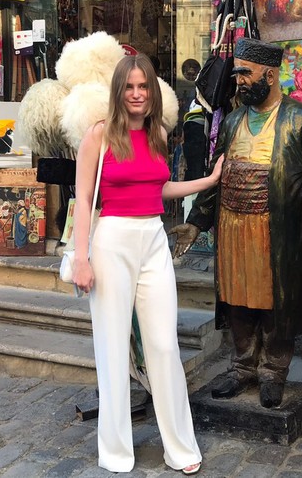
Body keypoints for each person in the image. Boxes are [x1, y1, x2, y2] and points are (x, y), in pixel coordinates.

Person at [72, 54, 222, 475]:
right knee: (113, 345)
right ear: (118, 91)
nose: (137, 94)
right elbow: (84, 199)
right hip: (112, 239)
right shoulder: (98, 136)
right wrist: (81, 257)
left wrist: (208, 182)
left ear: (152, 91)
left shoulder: (158, 133)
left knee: (162, 344)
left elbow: (161, 186)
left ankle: (180, 445)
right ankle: (116, 450)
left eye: (144, 86)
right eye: (129, 86)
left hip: (153, 237)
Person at [170, 38, 302, 408]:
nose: (239, 80)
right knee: (238, 299)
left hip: (277, 231)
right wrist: (196, 222)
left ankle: (273, 370)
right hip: (232, 229)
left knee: (274, 301)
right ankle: (242, 365)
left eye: (245, 72)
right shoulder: (230, 122)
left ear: (271, 74)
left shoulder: (300, 120)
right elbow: (216, 178)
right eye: (237, 73)